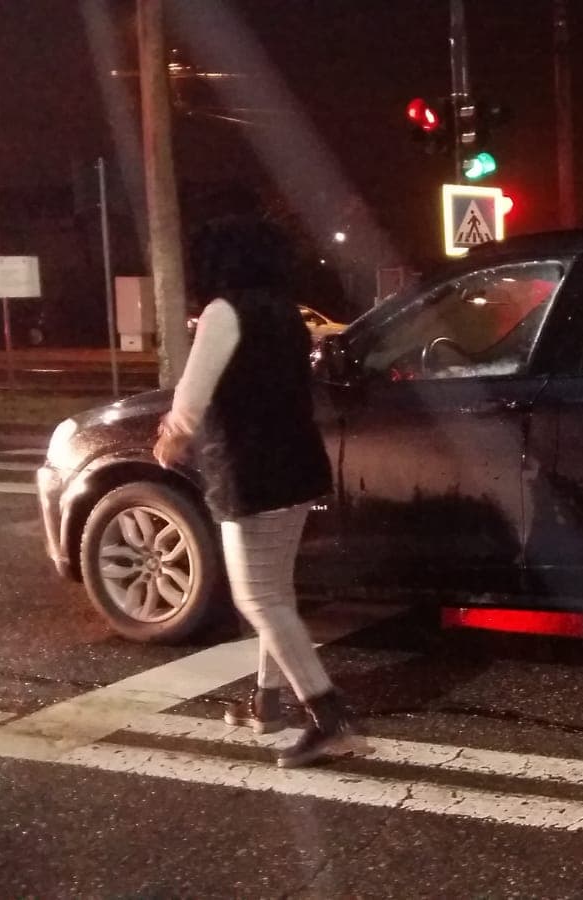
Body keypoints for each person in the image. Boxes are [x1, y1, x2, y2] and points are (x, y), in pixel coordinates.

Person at [153, 216, 365, 769]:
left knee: (260, 598)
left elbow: (191, 395)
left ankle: (330, 720)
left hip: (252, 473)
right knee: (276, 593)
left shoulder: (224, 312)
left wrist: (171, 438)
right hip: (297, 465)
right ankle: (267, 702)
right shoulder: (285, 312)